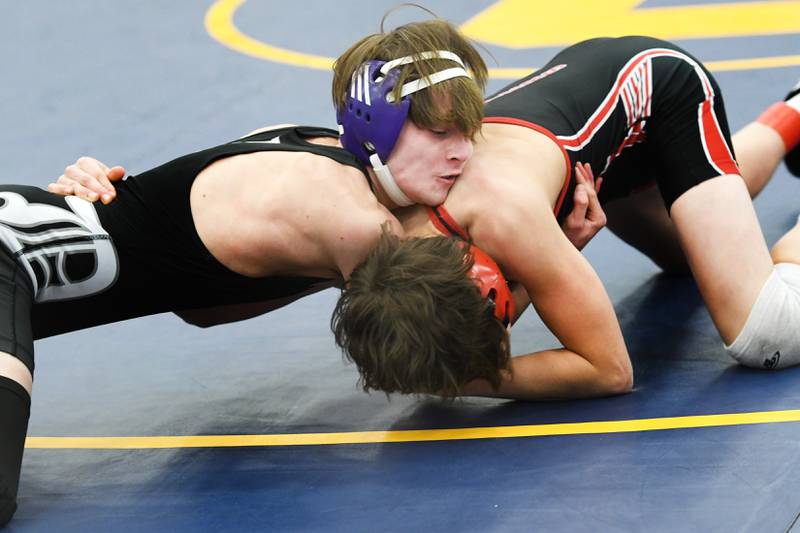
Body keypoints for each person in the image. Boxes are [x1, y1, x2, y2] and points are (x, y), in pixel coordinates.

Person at [0, 19, 503, 527]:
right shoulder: (355, 221)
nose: (462, 152)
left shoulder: (300, 147)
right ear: (379, 127)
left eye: (468, 132)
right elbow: (440, 367)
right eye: (440, 133)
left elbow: (202, 308)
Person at [331, 36, 800, 399]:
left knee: (765, 332)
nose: (459, 153)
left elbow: (609, 370)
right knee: (687, 252)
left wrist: (459, 381)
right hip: (589, 145)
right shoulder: (371, 206)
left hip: (661, 92)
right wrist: (563, 247)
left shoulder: (504, 215)